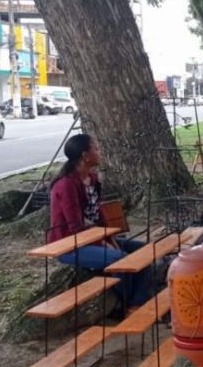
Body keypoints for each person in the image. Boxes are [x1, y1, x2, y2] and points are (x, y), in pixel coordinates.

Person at [48, 134, 152, 314]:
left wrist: (110, 238)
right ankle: (122, 305)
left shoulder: (93, 179)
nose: (100, 152)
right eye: (96, 149)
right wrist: (102, 242)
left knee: (145, 251)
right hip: (69, 245)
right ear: (85, 156)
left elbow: (97, 214)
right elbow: (76, 226)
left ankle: (137, 302)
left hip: (94, 237)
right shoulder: (66, 185)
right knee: (119, 259)